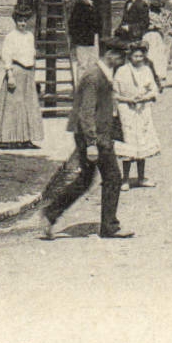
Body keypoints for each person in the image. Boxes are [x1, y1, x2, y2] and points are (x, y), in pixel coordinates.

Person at [36, 39, 132, 239]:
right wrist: (91, 144)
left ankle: (50, 214)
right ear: (110, 54)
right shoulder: (93, 76)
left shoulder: (102, 74)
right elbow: (86, 113)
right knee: (113, 177)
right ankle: (110, 227)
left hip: (97, 135)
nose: (123, 60)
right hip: (95, 137)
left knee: (85, 180)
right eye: (121, 56)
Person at [0, 6, 44, 150]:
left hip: (28, 73)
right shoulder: (10, 36)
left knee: (28, 105)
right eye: (20, 21)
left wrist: (34, 73)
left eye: (25, 21)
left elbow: (32, 55)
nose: (23, 24)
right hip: (16, 71)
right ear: (15, 21)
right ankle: (9, 139)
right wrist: (10, 75)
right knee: (14, 106)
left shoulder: (30, 36)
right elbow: (7, 56)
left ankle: (26, 138)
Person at [113, 38, 162, 189]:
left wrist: (145, 97)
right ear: (130, 57)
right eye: (135, 56)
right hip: (127, 110)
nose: (138, 59)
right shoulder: (122, 71)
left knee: (143, 142)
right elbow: (114, 93)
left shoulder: (147, 70)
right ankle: (125, 179)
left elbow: (154, 90)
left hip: (142, 110)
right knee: (128, 145)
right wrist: (128, 99)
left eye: (141, 56)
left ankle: (141, 177)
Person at [68, 0, 103, 75]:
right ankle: (81, 87)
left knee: (93, 64)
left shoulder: (95, 5)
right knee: (82, 64)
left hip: (93, 38)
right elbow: (73, 24)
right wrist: (76, 38)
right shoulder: (80, 5)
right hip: (83, 40)